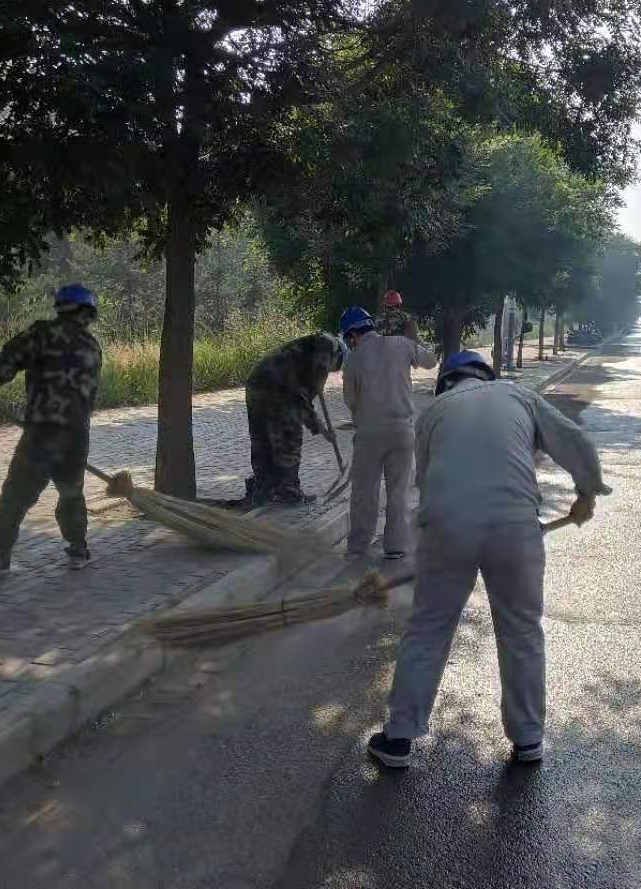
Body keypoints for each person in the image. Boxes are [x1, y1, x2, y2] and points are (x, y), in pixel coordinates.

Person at [366, 350, 609, 769]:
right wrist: (587, 491)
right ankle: (528, 739)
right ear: (486, 376)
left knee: (428, 629)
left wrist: (436, 540)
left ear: (445, 382)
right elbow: (576, 441)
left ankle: (399, 738)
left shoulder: (433, 413)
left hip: (447, 526)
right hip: (515, 527)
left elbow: (425, 483)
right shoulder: (518, 395)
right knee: (522, 630)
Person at [0, 284, 103, 578]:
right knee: (71, 494)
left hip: (42, 434)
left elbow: (9, 358)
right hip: (77, 434)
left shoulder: (42, 334)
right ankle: (78, 550)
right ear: (86, 313)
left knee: (15, 496)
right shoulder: (92, 347)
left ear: (62, 308)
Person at [339, 305, 438, 561]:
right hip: (402, 431)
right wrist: (416, 339)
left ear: (352, 335)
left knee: (365, 492)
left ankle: (359, 546)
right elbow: (431, 361)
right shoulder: (401, 344)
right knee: (399, 491)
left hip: (369, 434)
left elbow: (350, 400)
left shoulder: (353, 360)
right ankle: (395, 546)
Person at [244, 332, 344, 505]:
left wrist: (321, 429)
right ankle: (288, 490)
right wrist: (322, 428)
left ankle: (264, 489)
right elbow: (300, 401)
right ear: (337, 356)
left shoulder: (307, 352)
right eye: (333, 368)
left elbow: (304, 403)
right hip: (279, 386)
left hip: (257, 381)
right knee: (289, 434)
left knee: (262, 437)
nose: (330, 372)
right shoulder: (328, 344)